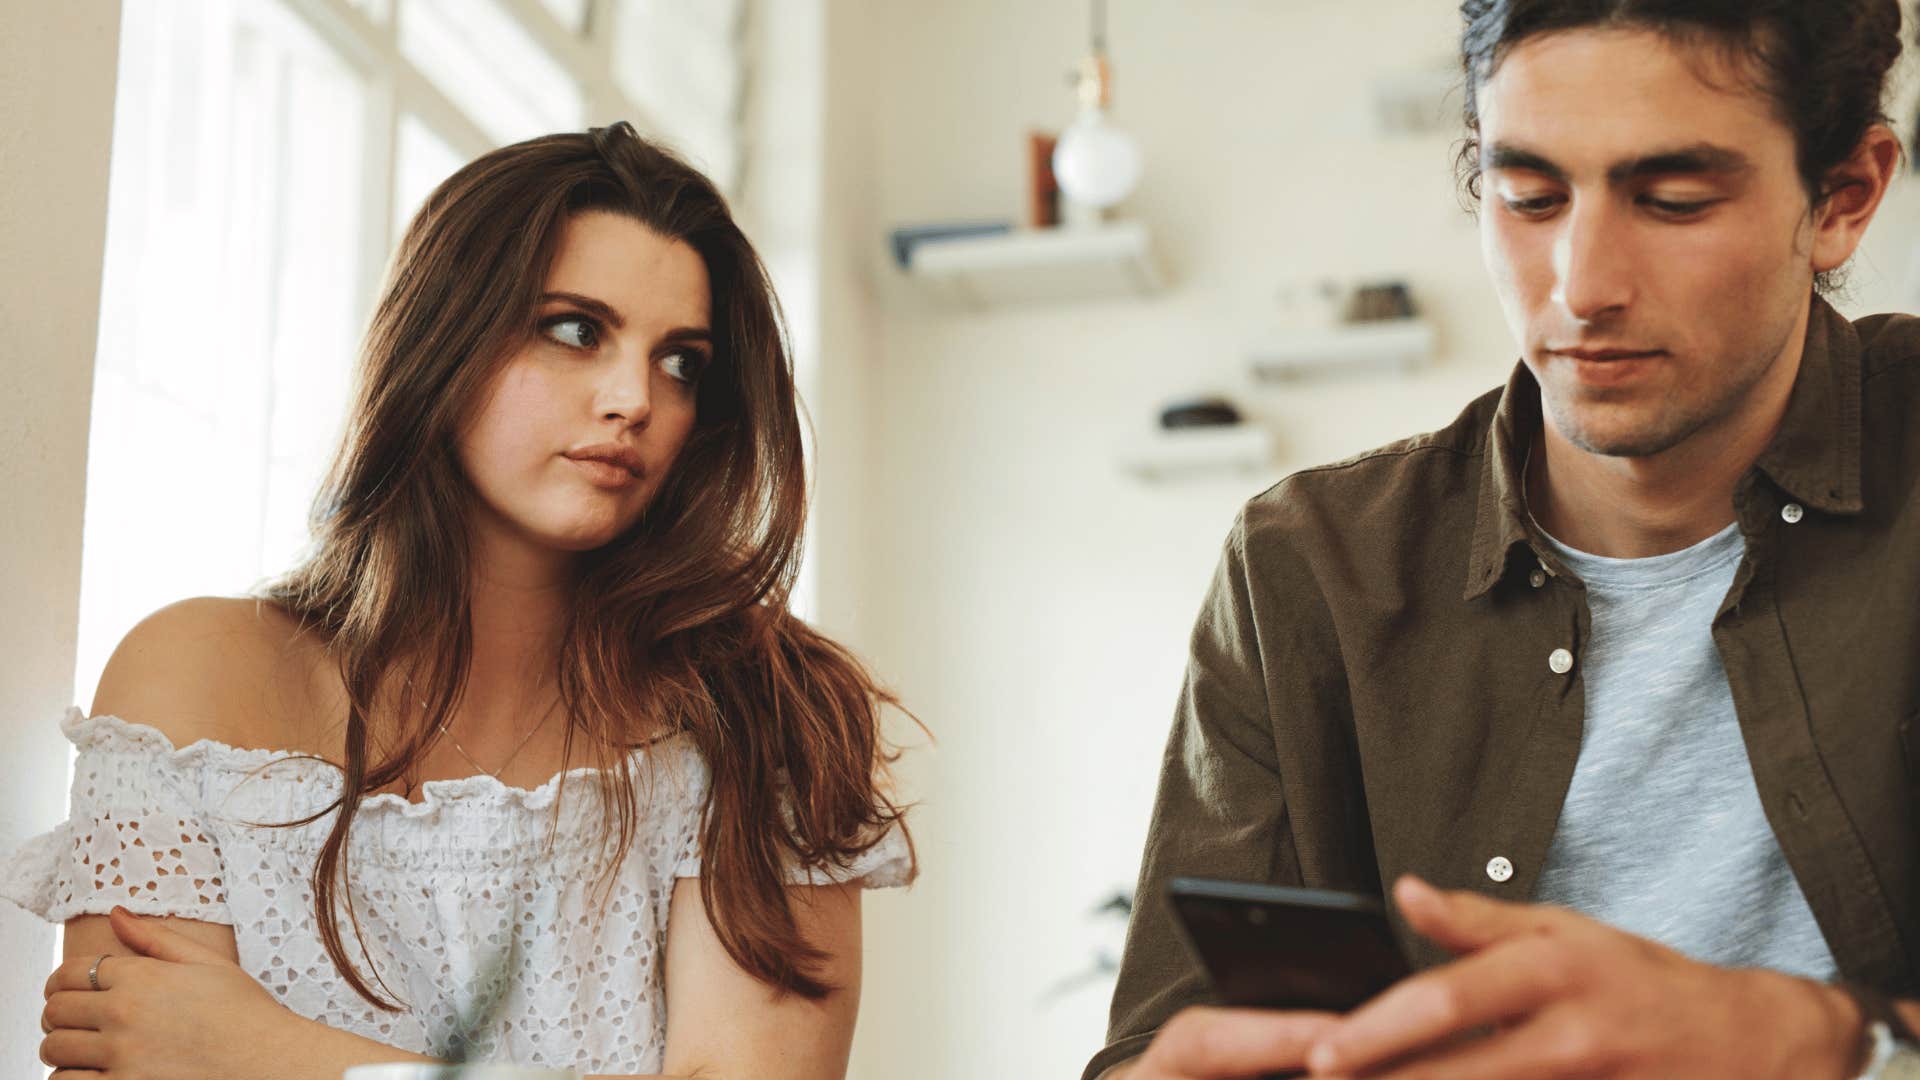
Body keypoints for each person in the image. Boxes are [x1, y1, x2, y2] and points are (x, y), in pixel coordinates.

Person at [1088, 2, 1920, 1078]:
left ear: (1844, 199)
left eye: (1672, 201)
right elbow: (1166, 1040)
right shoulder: (1309, 569)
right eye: (1528, 197)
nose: (1581, 286)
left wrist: (1828, 1043)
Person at [6, 121, 913, 1080]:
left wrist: (274, 1053)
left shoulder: (767, 716)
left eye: (680, 361)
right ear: (445, 333)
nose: (633, 399)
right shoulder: (190, 679)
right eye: (576, 329)